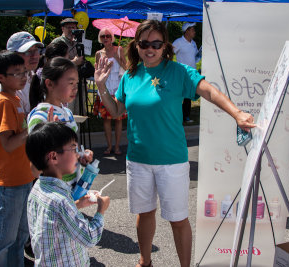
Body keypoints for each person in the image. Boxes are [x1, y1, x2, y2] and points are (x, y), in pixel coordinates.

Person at [95, 20, 255, 267]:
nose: (150, 49)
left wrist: (236, 113)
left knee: (178, 219)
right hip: (138, 160)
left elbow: (209, 91)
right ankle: (144, 261)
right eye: (145, 43)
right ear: (136, 46)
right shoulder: (130, 75)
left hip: (172, 161)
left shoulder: (178, 71)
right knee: (145, 213)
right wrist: (101, 86)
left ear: (165, 45)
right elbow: (116, 111)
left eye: (156, 43)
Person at [26, 121, 110, 266]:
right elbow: (89, 237)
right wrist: (100, 211)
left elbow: (54, 219)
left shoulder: (37, 189)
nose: (78, 155)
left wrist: (78, 204)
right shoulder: (60, 201)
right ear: (53, 157)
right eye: (73, 149)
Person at [0, 51, 34, 266]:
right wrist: (33, 127)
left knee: (20, 236)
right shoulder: (4, 101)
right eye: (17, 73)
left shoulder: (15, 98)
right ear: (1, 77)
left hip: (22, 178)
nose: (23, 77)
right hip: (9, 181)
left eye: (24, 72)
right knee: (3, 238)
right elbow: (8, 144)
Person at [28, 57, 93, 188]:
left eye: (76, 83)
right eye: (70, 83)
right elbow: (35, 170)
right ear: (50, 84)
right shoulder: (40, 117)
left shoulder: (66, 112)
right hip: (55, 192)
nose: (75, 88)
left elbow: (67, 152)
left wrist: (81, 156)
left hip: (72, 188)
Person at [0, 31, 44, 115]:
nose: (35, 56)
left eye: (36, 50)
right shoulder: (8, 85)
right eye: (27, 52)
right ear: (12, 56)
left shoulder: (33, 76)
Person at [95, 28, 127, 155]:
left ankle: (117, 146)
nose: (106, 38)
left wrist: (116, 58)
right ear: (100, 38)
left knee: (118, 119)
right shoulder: (98, 53)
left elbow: (126, 67)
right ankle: (109, 146)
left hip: (118, 88)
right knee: (106, 120)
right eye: (103, 36)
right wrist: (105, 68)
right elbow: (97, 71)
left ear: (112, 37)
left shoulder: (119, 49)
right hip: (105, 89)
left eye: (108, 36)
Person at [172, 22, 200, 123]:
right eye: (192, 30)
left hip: (192, 74)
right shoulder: (178, 42)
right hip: (182, 73)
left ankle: (186, 117)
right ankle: (177, 116)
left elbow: (195, 58)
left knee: (188, 96)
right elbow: (169, 53)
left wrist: (200, 54)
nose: (194, 32)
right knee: (180, 96)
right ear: (187, 31)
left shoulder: (193, 43)